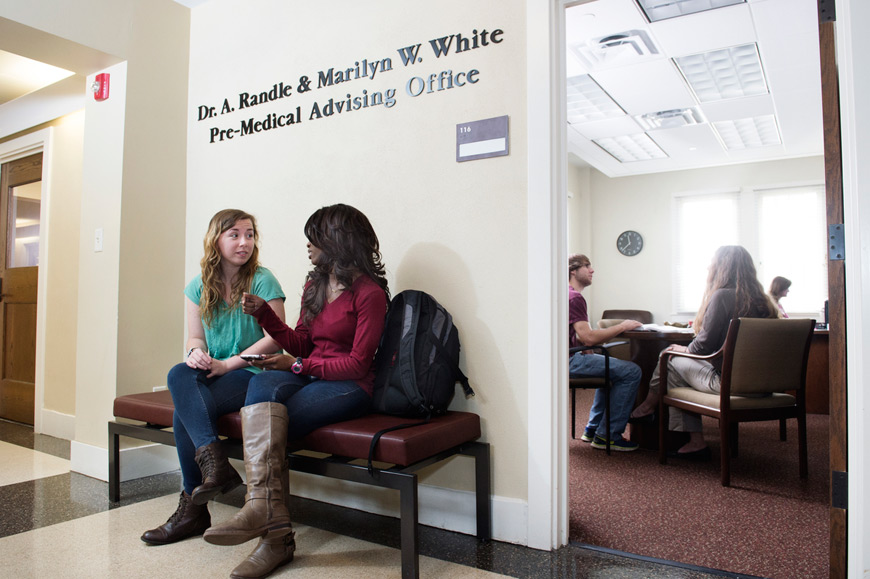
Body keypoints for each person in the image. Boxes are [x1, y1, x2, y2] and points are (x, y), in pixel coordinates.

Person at [202, 203, 390, 579]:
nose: (307, 244)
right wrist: (264, 317)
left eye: (314, 236)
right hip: (314, 374)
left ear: (336, 240)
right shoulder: (315, 284)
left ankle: (273, 537)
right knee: (262, 382)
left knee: (277, 421)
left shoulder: (369, 294)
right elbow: (302, 342)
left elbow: (356, 364)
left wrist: (298, 366)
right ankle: (265, 513)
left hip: (350, 386)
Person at [141, 209, 286, 545]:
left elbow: (276, 337)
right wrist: (195, 354)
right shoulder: (198, 286)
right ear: (216, 240)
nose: (244, 242)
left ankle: (193, 507)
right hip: (217, 371)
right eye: (234, 234)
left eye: (249, 234)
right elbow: (195, 338)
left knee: (183, 412)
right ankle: (215, 464)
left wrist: (226, 365)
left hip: (253, 372)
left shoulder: (263, 280)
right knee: (179, 372)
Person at [629, 245, 779, 460]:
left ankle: (650, 410)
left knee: (668, 357)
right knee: (675, 365)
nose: (709, 266)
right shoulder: (765, 302)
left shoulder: (723, 296)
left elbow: (703, 347)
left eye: (712, 263)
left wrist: (682, 349)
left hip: (729, 384)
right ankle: (670, 425)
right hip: (765, 386)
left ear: (721, 267)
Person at [568, 254, 643, 452]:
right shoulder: (574, 297)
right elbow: (589, 338)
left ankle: (593, 429)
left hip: (568, 356)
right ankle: (607, 435)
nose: (592, 270)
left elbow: (578, 335)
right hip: (569, 361)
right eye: (586, 266)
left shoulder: (566, 294)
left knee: (612, 368)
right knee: (632, 372)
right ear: (573, 271)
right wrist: (623, 326)